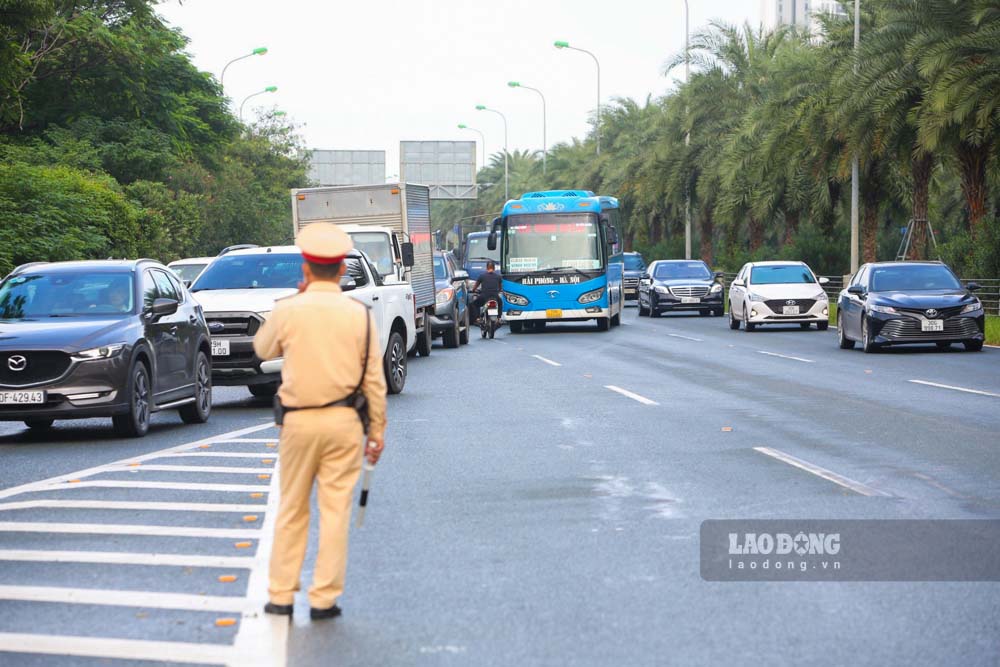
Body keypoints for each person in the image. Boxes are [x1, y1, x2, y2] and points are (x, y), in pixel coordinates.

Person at [253, 223, 387, 621]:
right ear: (343, 271)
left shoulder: (288, 309)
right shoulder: (359, 315)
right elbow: (374, 380)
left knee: (292, 509)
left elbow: (262, 350)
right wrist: (376, 432)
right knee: (334, 512)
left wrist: (291, 305)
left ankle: (280, 595)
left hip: (297, 423)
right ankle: (324, 599)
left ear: (306, 269)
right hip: (345, 422)